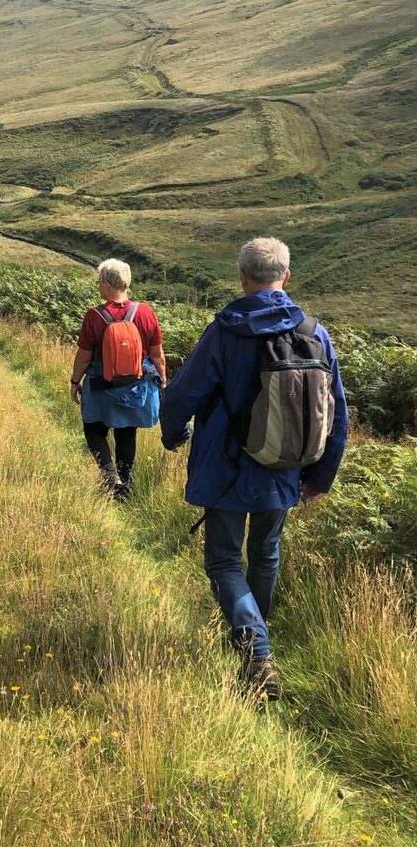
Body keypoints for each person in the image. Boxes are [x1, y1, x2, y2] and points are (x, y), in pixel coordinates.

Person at [159, 237, 348, 700]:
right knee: (265, 553)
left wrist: (171, 434)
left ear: (242, 278)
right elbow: (336, 411)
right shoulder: (314, 332)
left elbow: (183, 394)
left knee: (224, 559)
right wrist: (319, 478)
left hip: (225, 469)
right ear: (286, 276)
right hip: (285, 469)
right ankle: (254, 640)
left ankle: (255, 651)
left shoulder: (224, 331)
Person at [70, 258, 166, 497]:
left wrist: (74, 382)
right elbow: (157, 355)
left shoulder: (94, 316)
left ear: (106, 284)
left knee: (93, 429)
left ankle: (109, 474)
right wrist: (163, 380)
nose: (98, 286)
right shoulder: (144, 312)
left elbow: (83, 357)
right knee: (126, 432)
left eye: (99, 281)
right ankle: (124, 485)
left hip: (102, 386)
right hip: (135, 387)